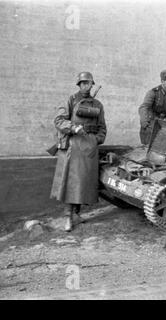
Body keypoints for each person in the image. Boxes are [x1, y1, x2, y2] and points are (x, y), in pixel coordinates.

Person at [50, 72, 107, 232]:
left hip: (90, 146)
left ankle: (76, 213)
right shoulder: (71, 100)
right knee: (71, 181)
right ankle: (68, 215)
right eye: (83, 83)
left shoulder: (98, 105)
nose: (86, 86)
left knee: (84, 182)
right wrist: (73, 127)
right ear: (79, 85)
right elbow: (58, 120)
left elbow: (102, 127)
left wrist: (97, 140)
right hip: (73, 145)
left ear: (91, 85)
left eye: (89, 83)